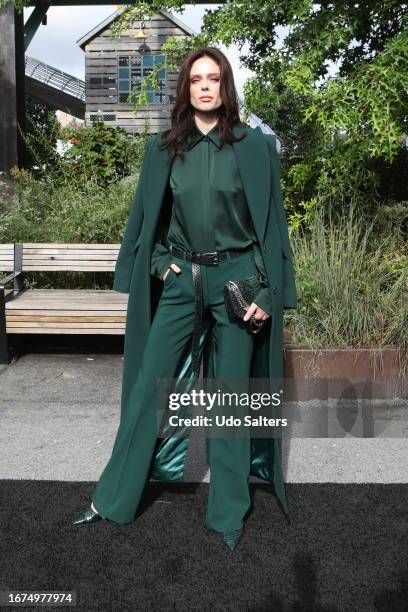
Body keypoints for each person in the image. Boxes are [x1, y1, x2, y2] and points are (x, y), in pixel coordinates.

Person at [73, 47, 298, 552]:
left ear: (225, 86)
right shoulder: (162, 149)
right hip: (181, 282)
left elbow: (273, 228)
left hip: (237, 283)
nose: (203, 87)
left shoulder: (255, 148)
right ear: (184, 88)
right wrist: (156, 266)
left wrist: (269, 291)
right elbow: (146, 223)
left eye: (212, 78)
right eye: (195, 79)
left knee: (229, 400)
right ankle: (111, 500)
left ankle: (228, 516)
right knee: (148, 391)